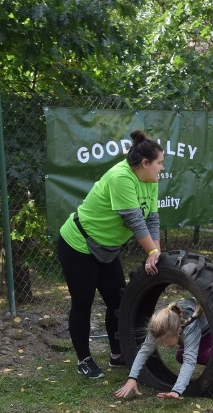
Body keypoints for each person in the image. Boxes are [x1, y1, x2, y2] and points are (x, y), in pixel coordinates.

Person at [57, 130, 164, 380]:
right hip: (79, 244)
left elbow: (152, 218)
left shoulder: (150, 182)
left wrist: (155, 252)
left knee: (118, 302)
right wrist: (152, 250)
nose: (161, 168)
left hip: (108, 249)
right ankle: (84, 359)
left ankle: (118, 354)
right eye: (159, 163)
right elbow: (134, 220)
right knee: (83, 302)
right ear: (145, 163)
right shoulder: (120, 177)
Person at [114, 298, 211, 399]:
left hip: (208, 326)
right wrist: (132, 378)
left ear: (178, 330)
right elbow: (145, 350)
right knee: (180, 356)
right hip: (186, 320)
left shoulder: (190, 328)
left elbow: (189, 361)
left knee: (186, 357)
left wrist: (176, 391)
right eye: (160, 341)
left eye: (165, 340)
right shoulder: (159, 327)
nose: (163, 344)